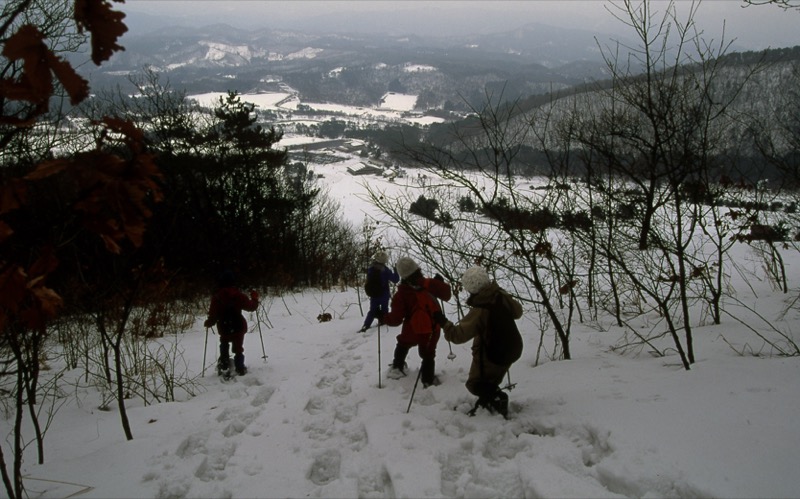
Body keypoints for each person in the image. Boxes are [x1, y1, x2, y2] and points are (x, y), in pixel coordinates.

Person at [433, 266, 522, 418]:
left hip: (492, 353)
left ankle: (498, 400)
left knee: (475, 384)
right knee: (490, 381)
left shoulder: (481, 309)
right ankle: (488, 402)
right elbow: (518, 312)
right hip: (513, 347)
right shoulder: (500, 295)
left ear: (471, 289)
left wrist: (443, 323)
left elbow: (458, 335)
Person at [378, 256, 451, 387]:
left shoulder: (401, 294)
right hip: (433, 328)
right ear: (417, 269)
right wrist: (439, 284)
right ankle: (428, 380)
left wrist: (383, 317)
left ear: (402, 276)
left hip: (412, 329)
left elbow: (395, 320)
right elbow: (447, 295)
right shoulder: (428, 284)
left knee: (403, 343)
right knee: (428, 354)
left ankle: (397, 367)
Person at [204, 269, 259, 376]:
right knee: (238, 348)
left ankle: (224, 365)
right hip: (238, 326)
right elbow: (251, 307)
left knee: (224, 343)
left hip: (224, 326)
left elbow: (213, 315)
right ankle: (240, 368)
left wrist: (209, 322)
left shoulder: (217, 297)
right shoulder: (239, 295)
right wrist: (255, 298)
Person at [359, 250, 399, 333]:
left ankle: (366, 325)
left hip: (373, 294)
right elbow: (395, 280)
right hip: (384, 294)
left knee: (372, 310)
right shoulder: (385, 270)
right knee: (384, 309)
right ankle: (383, 322)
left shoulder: (371, 269)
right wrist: (396, 270)